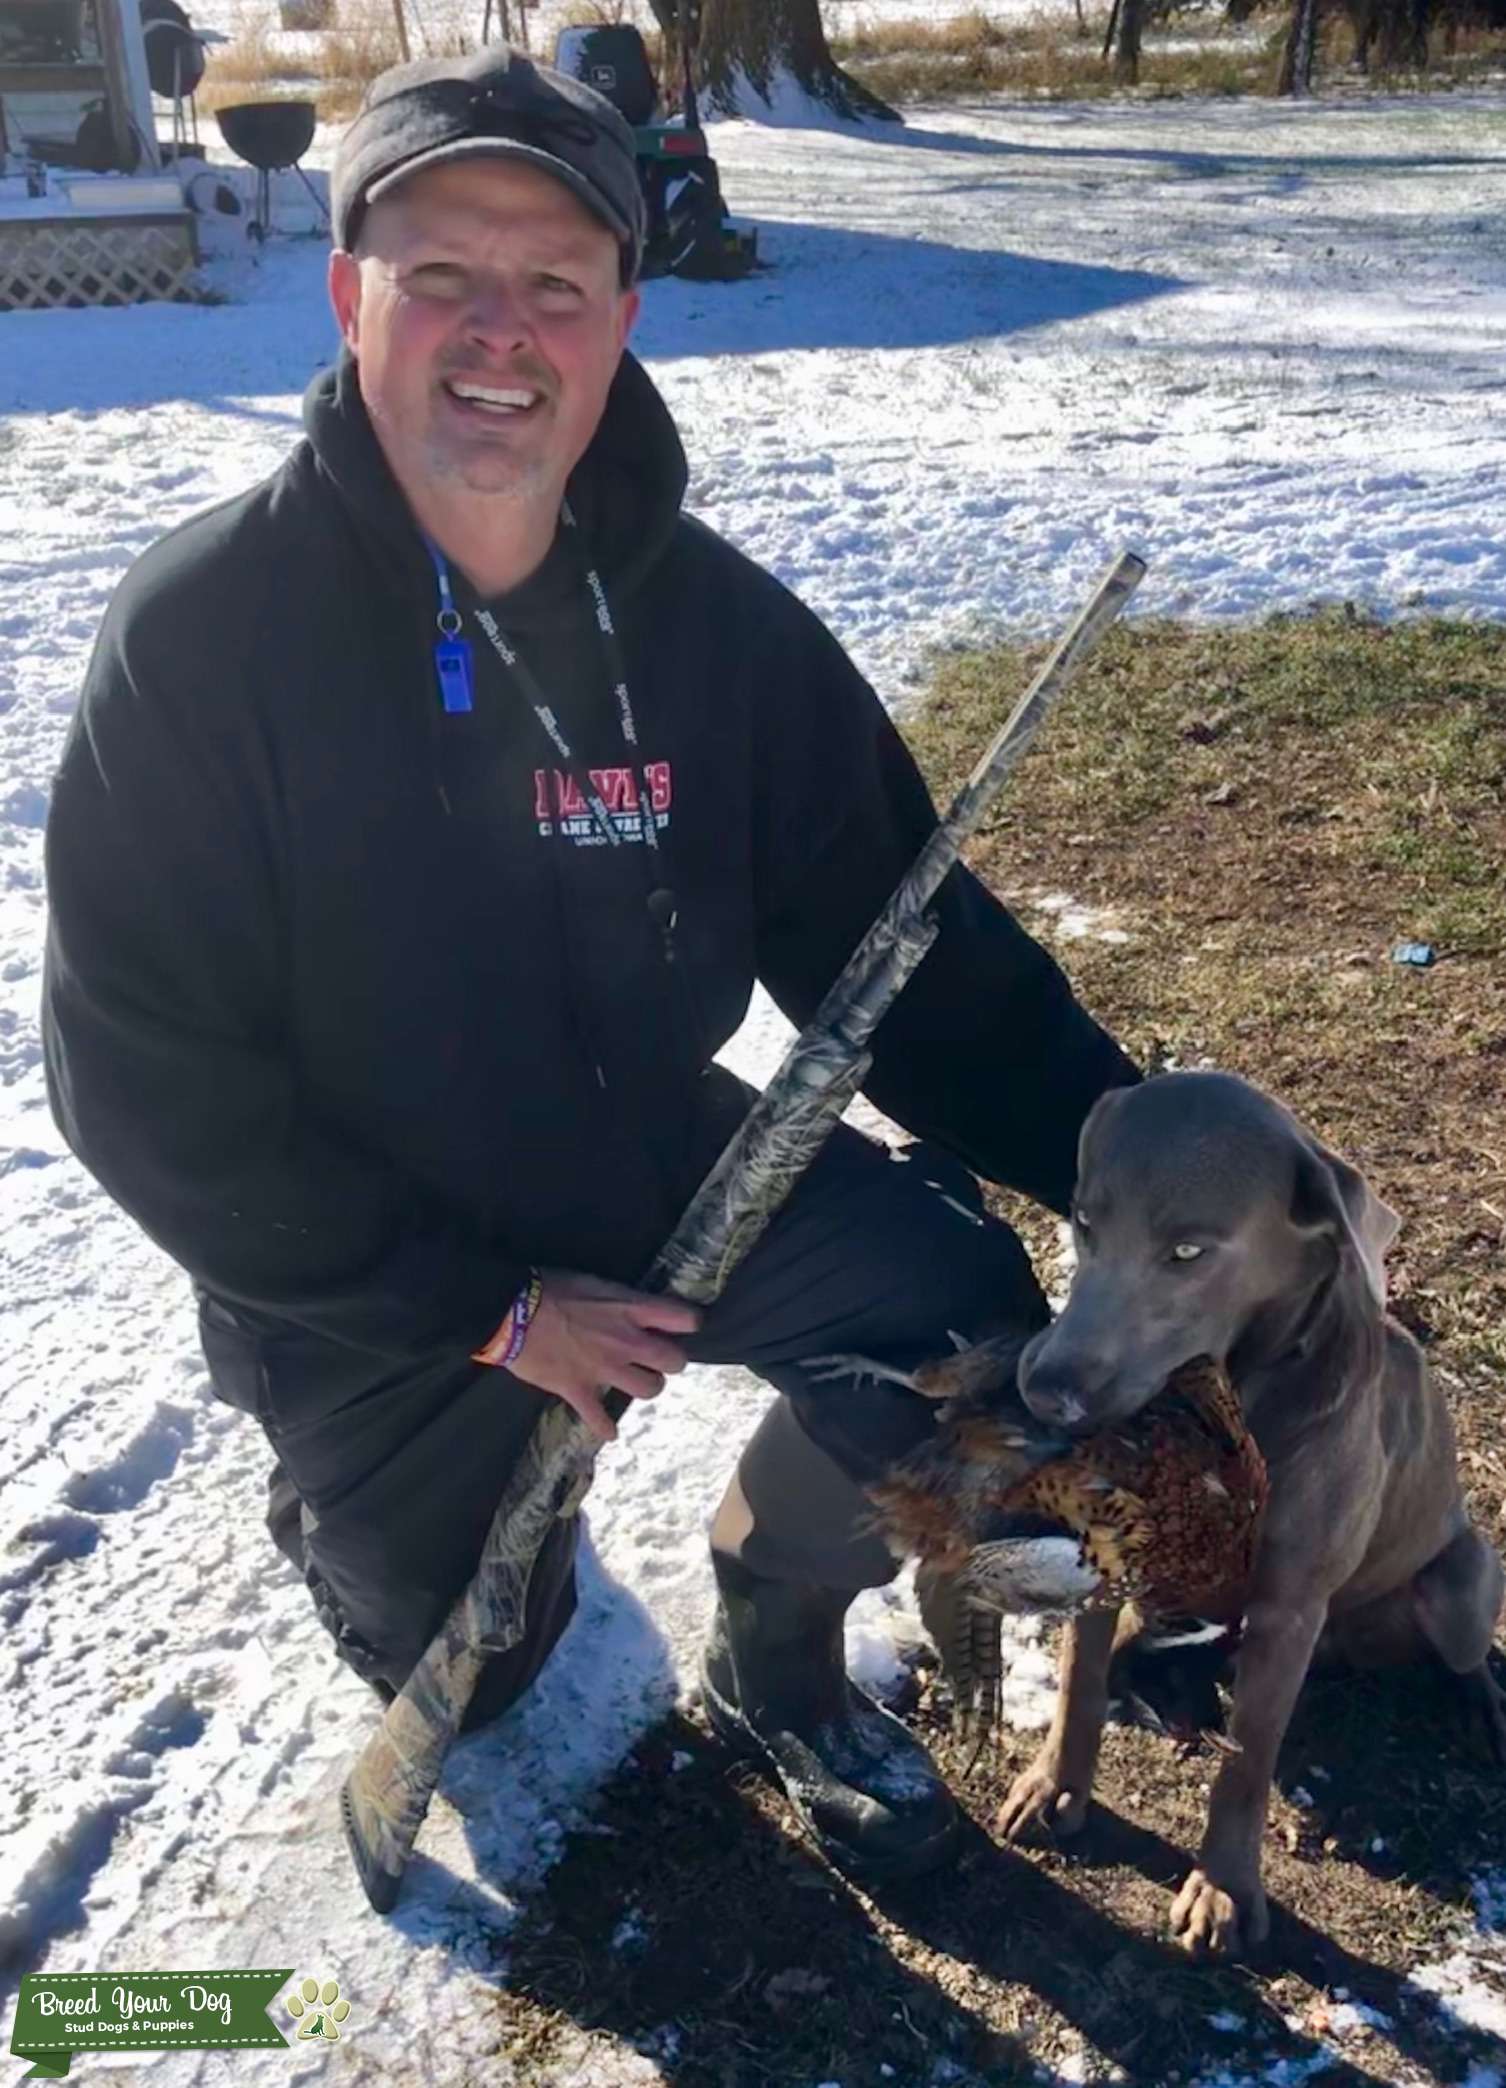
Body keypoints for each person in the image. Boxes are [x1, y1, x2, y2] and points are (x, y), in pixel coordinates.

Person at [41, 45, 1137, 1886]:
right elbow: (143, 1090)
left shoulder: (711, 628)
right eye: (443, 275)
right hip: (375, 1249)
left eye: (555, 283)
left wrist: (1143, 1158)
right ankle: (353, 1524)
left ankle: (776, 1627)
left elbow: (915, 956)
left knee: (969, 1341)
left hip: (648, 1148)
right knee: (476, 1665)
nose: (502, 332)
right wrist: (484, 1311)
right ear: (349, 295)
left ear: (621, 317)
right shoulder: (207, 638)